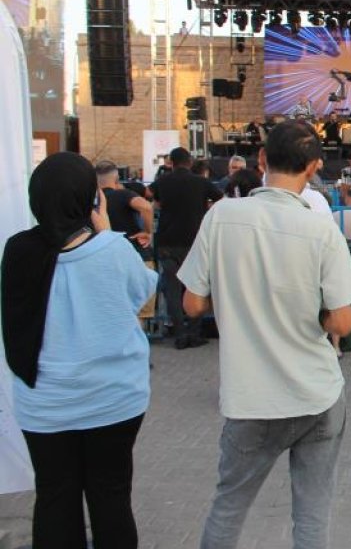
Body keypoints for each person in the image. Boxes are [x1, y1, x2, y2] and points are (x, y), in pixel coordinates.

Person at [179, 123, 351, 549]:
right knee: (312, 515)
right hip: (317, 393)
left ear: (261, 159)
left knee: (229, 507)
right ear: (315, 168)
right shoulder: (321, 230)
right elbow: (344, 322)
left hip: (251, 399)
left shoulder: (221, 216)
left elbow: (192, 304)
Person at [2, 153, 156, 548]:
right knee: (111, 496)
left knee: (55, 496)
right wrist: (104, 232)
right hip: (113, 398)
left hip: (46, 402)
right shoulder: (113, 249)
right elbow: (141, 292)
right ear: (92, 199)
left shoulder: (19, 251)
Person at [151, 146, 223, 349]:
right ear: (190, 162)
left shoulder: (163, 181)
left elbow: (152, 197)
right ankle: (194, 332)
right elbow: (220, 198)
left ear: (171, 163)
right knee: (195, 285)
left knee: (172, 288)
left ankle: (179, 333)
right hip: (194, 241)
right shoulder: (201, 182)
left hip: (167, 241)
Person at [97, 160, 155, 253]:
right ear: (117, 179)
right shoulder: (123, 195)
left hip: (102, 251)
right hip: (131, 248)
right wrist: (147, 232)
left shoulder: (89, 199)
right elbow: (146, 207)